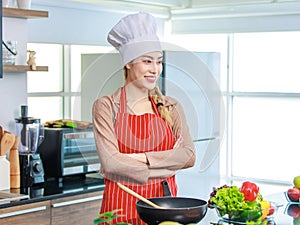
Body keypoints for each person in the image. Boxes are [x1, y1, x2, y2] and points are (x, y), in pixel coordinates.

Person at [92, 12, 196, 224]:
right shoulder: (106, 106)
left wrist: (138, 158)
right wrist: (168, 164)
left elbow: (189, 156)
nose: (154, 69)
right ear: (129, 63)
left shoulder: (171, 106)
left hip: (163, 206)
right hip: (120, 206)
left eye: (159, 61)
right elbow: (111, 164)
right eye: (147, 61)